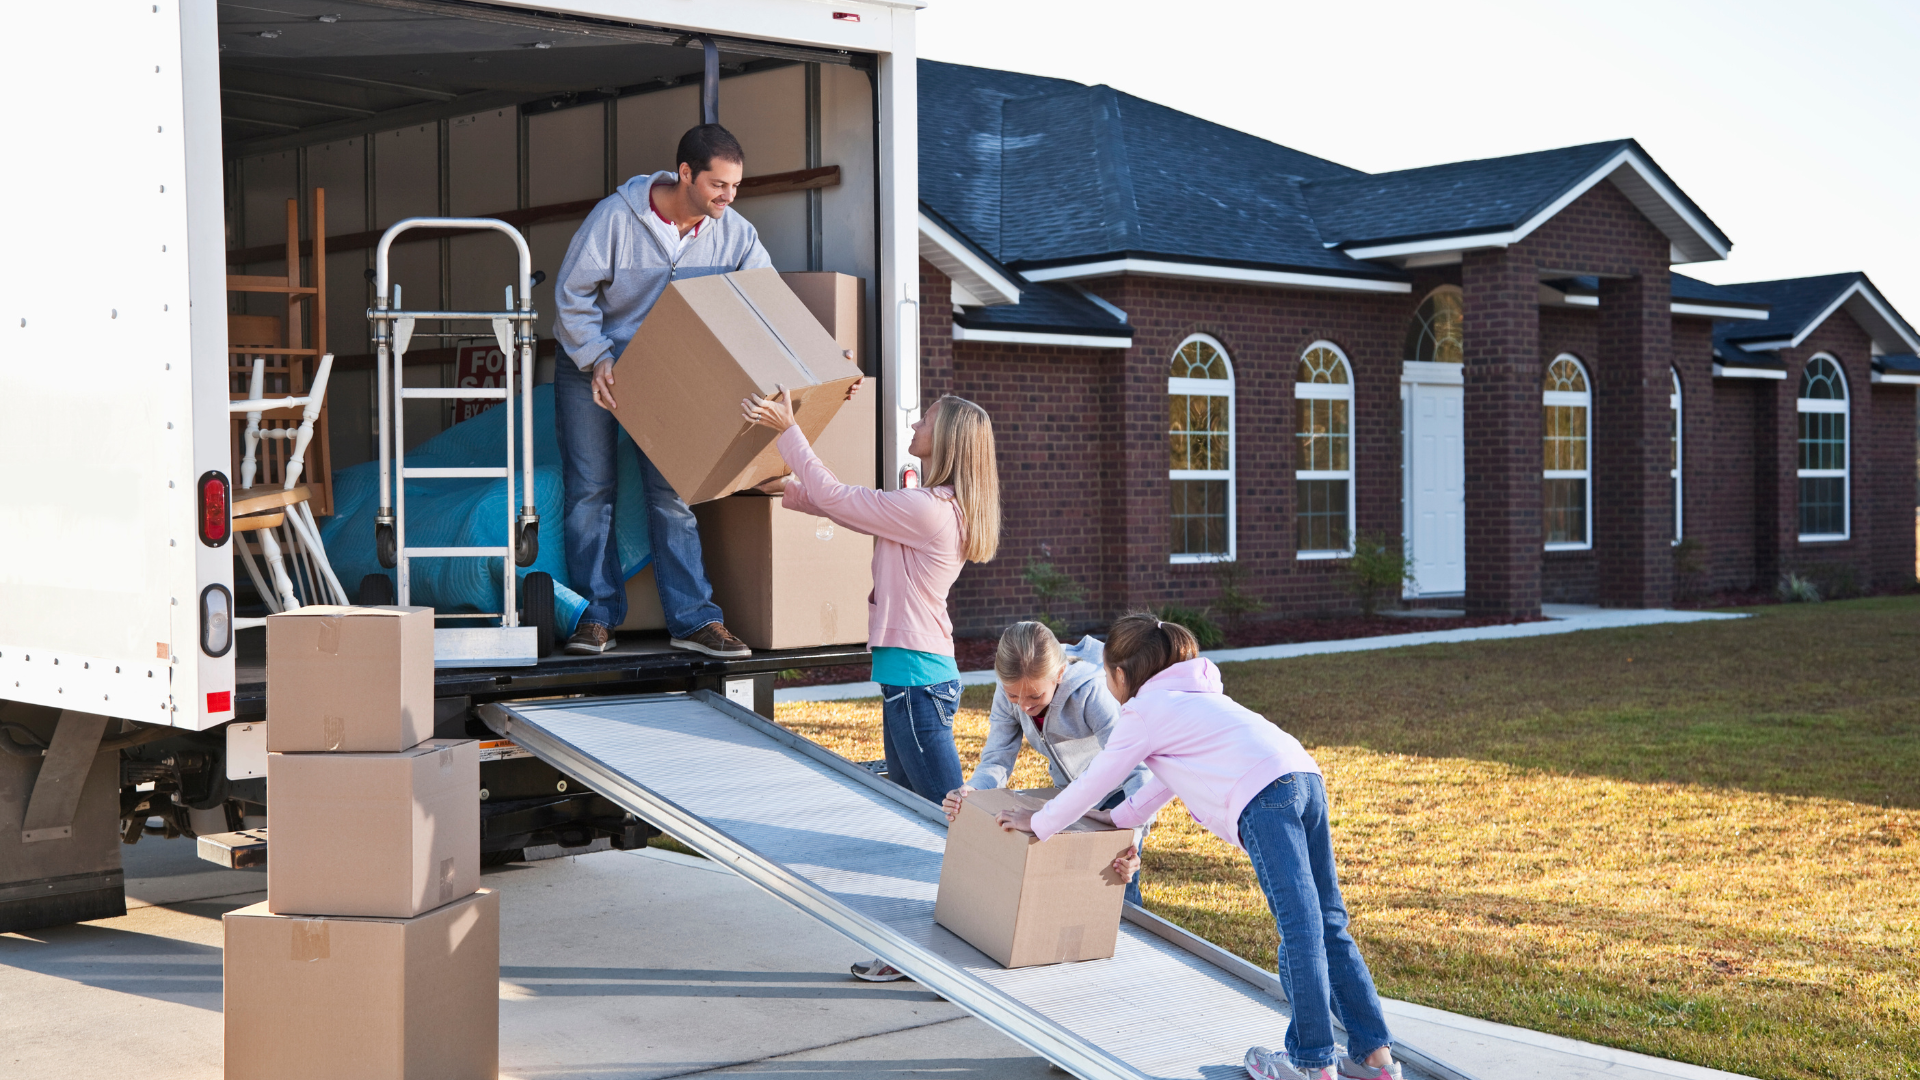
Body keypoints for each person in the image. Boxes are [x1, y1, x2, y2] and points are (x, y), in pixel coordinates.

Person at [993, 613, 1402, 1080]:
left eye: (1106, 674)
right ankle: (1376, 1060)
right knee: (1327, 920)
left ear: (1121, 676)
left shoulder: (1144, 712)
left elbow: (1096, 780)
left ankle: (1311, 1062)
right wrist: (1118, 818)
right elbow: (1165, 782)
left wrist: (1040, 822)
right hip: (1304, 776)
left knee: (1300, 929)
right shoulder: (1195, 696)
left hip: (1265, 796)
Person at [741, 388, 999, 984]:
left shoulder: (930, 509)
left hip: (917, 683)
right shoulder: (929, 505)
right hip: (909, 680)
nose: (915, 421)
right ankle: (914, 953)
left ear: (950, 439)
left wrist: (788, 430)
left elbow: (841, 496)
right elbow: (842, 506)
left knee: (946, 826)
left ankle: (963, 958)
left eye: (926, 418)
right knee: (913, 822)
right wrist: (784, 491)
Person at [550, 123, 764, 658]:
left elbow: (763, 305)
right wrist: (596, 357)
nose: (728, 197)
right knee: (590, 492)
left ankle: (694, 621)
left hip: (668, 375)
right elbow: (572, 293)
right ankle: (594, 617)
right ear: (685, 174)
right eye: (718, 185)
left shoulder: (734, 232)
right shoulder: (615, 218)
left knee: (673, 497)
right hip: (593, 363)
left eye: (735, 186)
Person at [940, 621, 1153, 906]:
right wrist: (973, 791)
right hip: (1069, 795)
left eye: (1035, 696)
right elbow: (997, 759)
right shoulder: (1010, 694)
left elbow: (1136, 768)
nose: (1024, 706)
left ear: (1059, 674)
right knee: (1073, 889)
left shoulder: (1090, 693)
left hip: (1118, 795)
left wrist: (1135, 837)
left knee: (1116, 892)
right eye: (1013, 695)